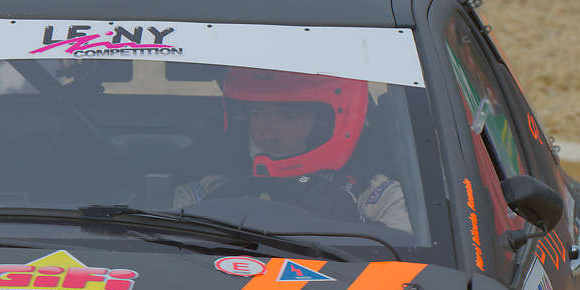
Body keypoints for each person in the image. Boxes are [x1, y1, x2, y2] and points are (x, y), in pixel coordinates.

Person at [174, 68, 411, 231]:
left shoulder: (367, 185)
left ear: (323, 123)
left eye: (290, 117)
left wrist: (352, 224)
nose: (270, 132)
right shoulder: (211, 176)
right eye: (259, 113)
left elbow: (404, 251)